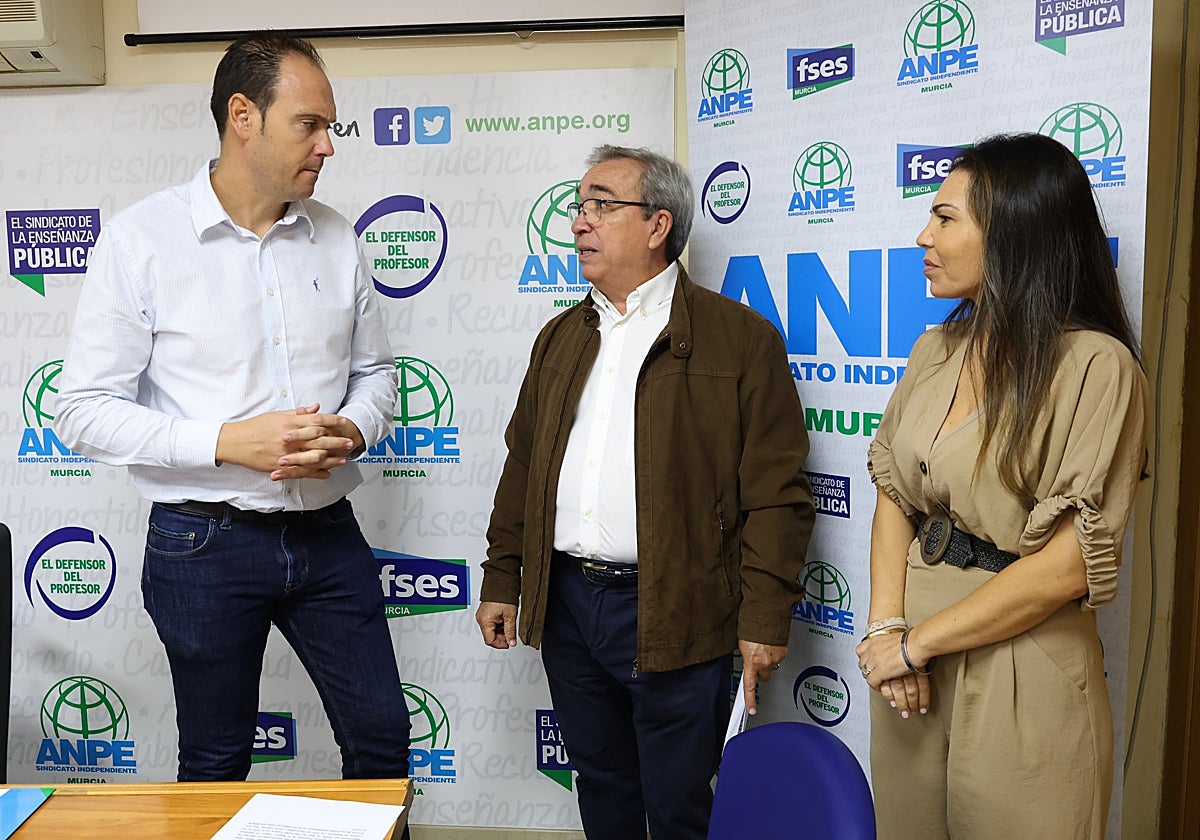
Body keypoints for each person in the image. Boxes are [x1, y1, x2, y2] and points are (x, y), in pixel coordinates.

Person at [55, 32, 411, 785]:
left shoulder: (336, 235)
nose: (328, 146)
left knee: (383, 742)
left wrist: (354, 428)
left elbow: (377, 374)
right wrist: (224, 442)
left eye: (330, 127)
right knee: (216, 763)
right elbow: (82, 411)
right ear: (243, 116)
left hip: (327, 533)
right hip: (201, 543)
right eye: (310, 125)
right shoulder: (141, 241)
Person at [476, 145, 815, 839]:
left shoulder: (740, 341)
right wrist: (503, 578)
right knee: (603, 791)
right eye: (579, 207)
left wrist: (764, 618)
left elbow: (776, 496)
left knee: (680, 805)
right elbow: (524, 468)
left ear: (658, 225)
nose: (580, 223)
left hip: (677, 608)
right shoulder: (559, 338)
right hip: (569, 607)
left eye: (601, 206)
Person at [855, 132, 1148, 840]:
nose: (924, 236)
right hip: (907, 672)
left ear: (1014, 233)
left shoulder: (1097, 367)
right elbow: (894, 492)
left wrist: (919, 643)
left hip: (1023, 660)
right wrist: (888, 629)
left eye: (945, 218)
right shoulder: (932, 350)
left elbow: (1069, 564)